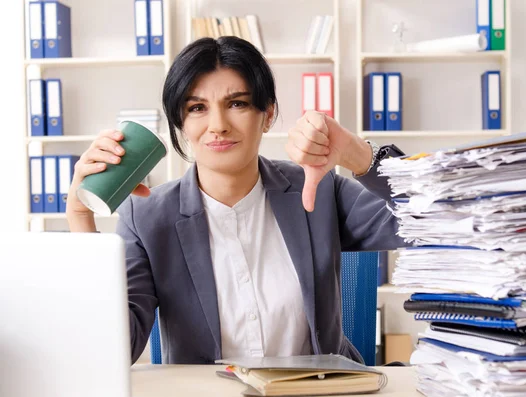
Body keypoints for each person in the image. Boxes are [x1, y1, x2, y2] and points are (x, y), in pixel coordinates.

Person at [66, 36, 405, 365]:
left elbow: (430, 223)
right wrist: (81, 219)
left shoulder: (317, 189)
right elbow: (112, 350)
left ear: (267, 115)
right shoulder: (146, 216)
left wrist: (359, 155)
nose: (218, 125)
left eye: (237, 104)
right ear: (181, 125)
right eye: (197, 108)